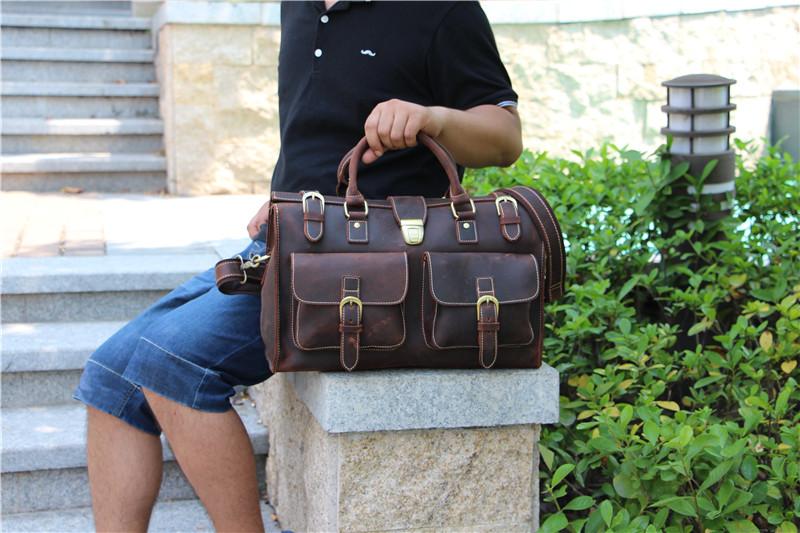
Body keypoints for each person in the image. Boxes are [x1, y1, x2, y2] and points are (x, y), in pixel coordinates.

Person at [73, 1, 522, 531]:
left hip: (367, 268)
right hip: (289, 242)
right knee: (109, 375)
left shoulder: (439, 10)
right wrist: (286, 200)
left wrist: (433, 117)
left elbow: (505, 137)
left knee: (171, 364)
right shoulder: (301, 6)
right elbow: (316, 129)